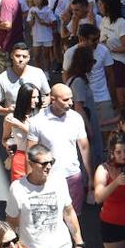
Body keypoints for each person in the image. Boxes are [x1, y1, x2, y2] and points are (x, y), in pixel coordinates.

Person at [30, 84, 92, 215]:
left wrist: (90, 176)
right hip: (48, 179)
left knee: (74, 217)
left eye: (71, 99)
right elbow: (31, 153)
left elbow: (84, 148)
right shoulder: (37, 121)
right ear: (53, 99)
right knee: (51, 219)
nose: (70, 103)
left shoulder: (76, 118)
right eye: (65, 100)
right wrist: (31, 181)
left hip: (73, 177)